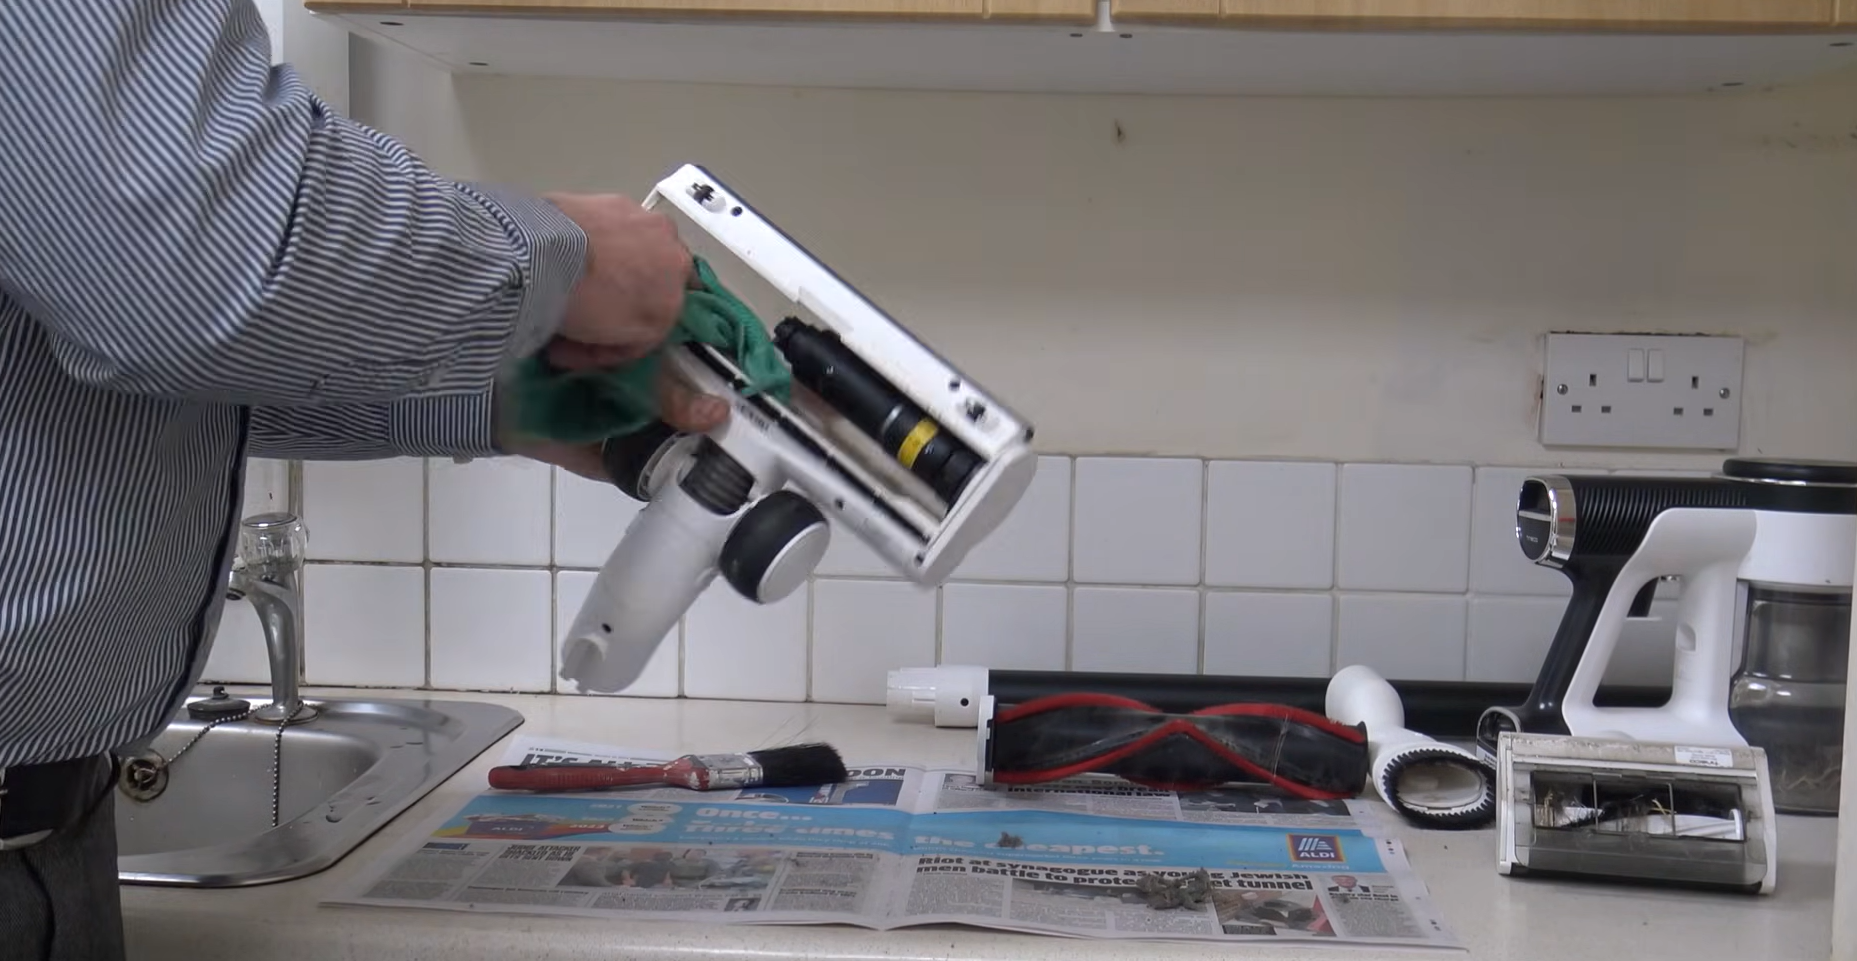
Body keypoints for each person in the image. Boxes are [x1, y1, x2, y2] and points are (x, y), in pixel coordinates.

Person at [0, 2, 726, 957]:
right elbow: (197, 270)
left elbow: (120, 351)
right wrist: (564, 258)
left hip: (52, 831)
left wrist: (501, 399)